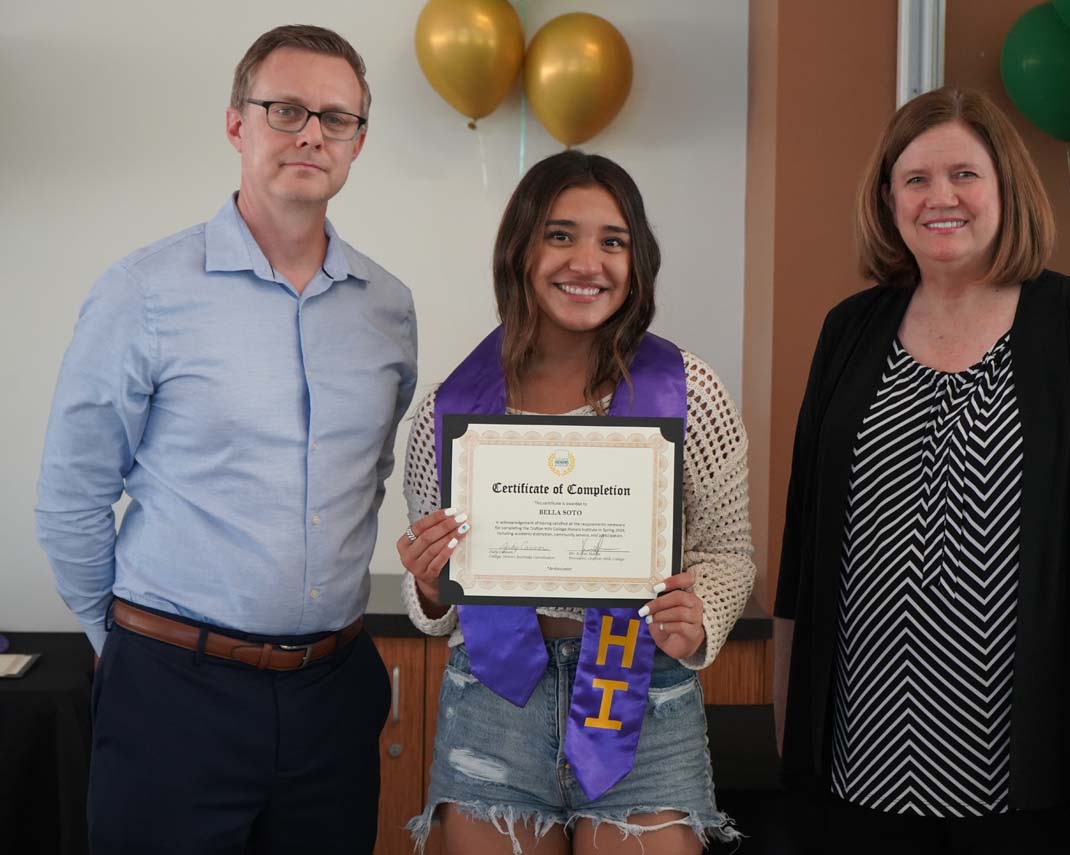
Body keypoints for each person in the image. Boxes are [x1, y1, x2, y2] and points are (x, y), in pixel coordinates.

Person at [773, 87, 1070, 853]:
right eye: (916, 179)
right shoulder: (850, 331)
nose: (942, 198)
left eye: (965, 175)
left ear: (1006, 188)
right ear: (888, 199)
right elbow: (806, 536)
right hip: (860, 749)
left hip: (1022, 759)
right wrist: (788, 711)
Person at [35, 25, 416, 854]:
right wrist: (131, 647)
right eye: (286, 110)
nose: (311, 133)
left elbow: (372, 475)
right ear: (237, 124)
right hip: (172, 691)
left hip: (333, 695)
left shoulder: (388, 309)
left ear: (357, 142)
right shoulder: (143, 293)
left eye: (336, 118)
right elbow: (71, 497)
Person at [397, 150, 753, 854]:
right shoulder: (448, 408)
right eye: (560, 234)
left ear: (636, 261)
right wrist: (430, 586)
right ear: (520, 249)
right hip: (498, 703)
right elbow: (435, 598)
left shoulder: (692, 391)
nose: (587, 260)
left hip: (641, 697)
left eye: (612, 241)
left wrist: (700, 612)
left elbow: (726, 549)